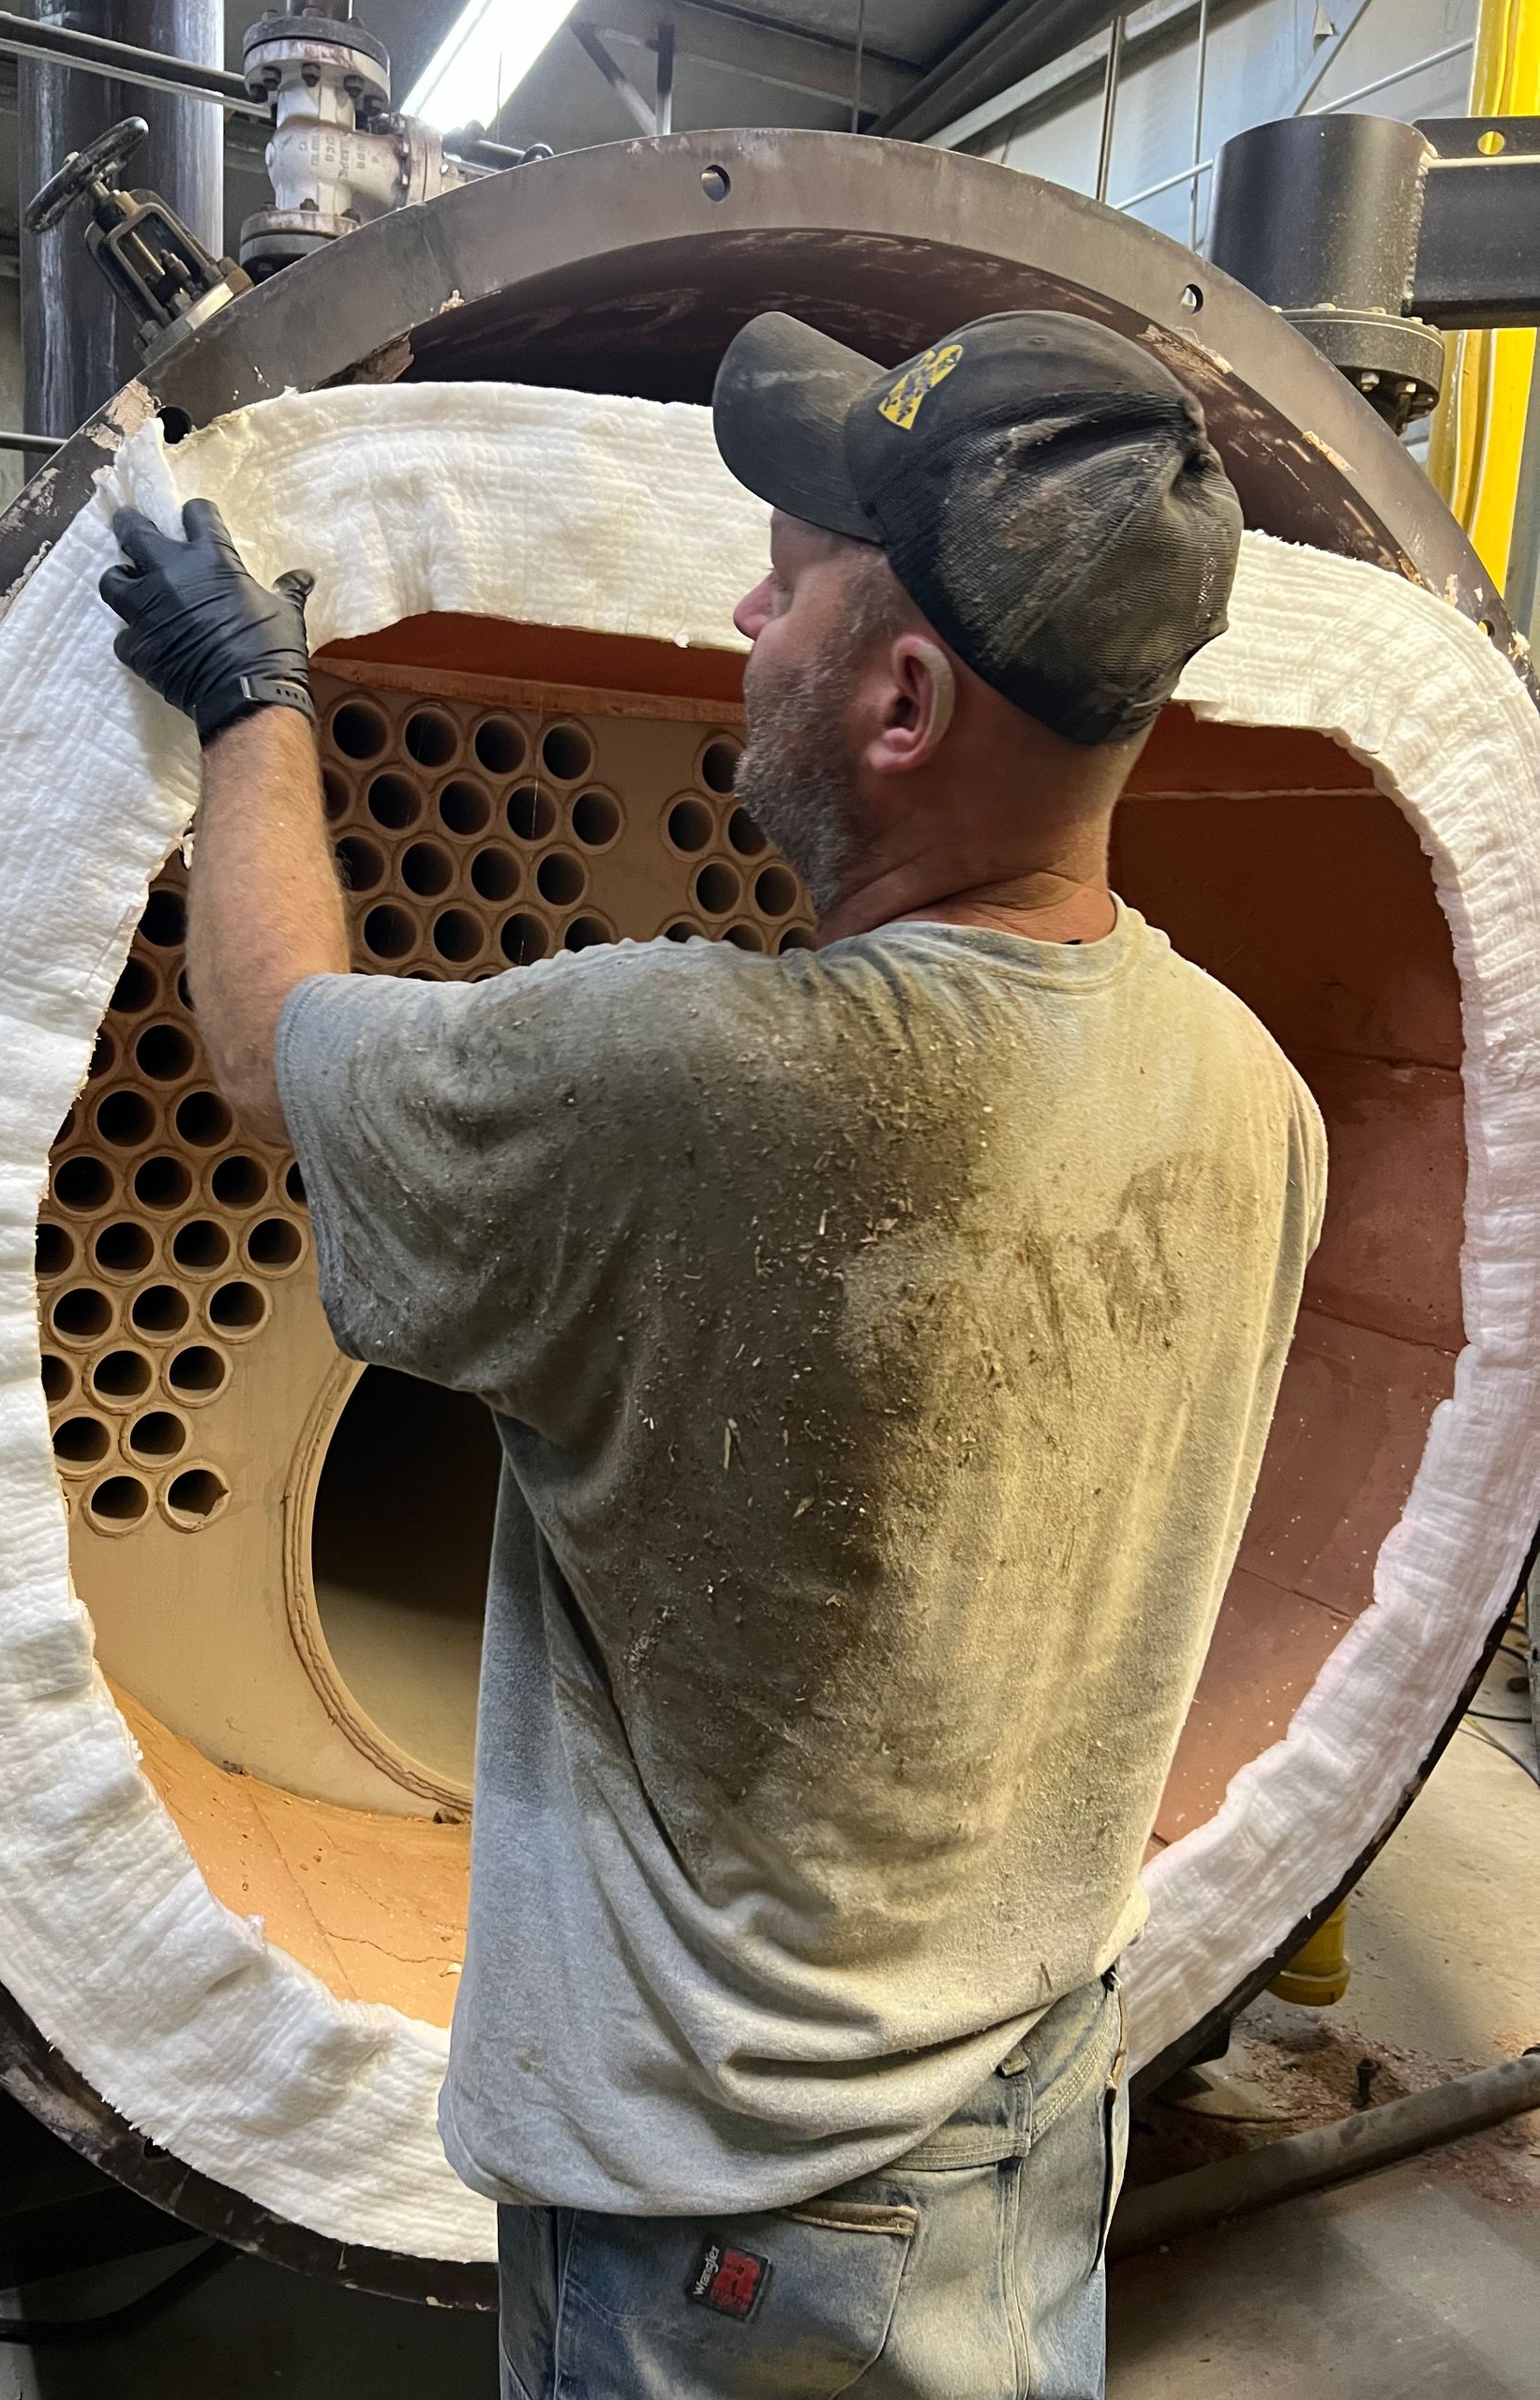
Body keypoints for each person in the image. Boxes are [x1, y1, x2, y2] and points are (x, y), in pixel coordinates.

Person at [100, 308, 1325, 2400]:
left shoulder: (686, 1079)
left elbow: (266, 1049)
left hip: (731, 2218)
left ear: (906, 697)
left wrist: (253, 704)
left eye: (794, 584)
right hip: (1033, 2098)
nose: (745, 612)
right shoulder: (1256, 1091)